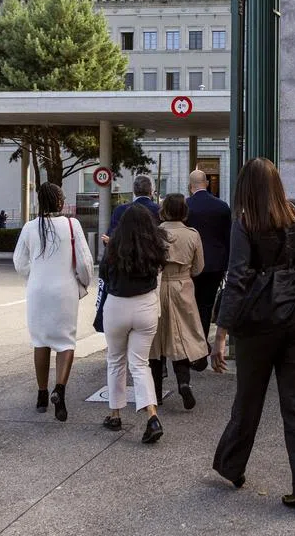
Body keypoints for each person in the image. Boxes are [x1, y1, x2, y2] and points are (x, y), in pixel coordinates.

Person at [212, 158, 295, 515]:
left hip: (258, 324)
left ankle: (232, 467)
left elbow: (237, 278)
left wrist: (221, 333)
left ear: (246, 187)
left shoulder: (245, 222)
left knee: (248, 400)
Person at [13, 182, 93, 422]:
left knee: (40, 341)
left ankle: (41, 394)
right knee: (65, 341)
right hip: (64, 291)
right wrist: (83, 283)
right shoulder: (71, 225)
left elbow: (19, 261)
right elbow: (84, 262)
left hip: (37, 291)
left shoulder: (29, 227)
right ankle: (60, 390)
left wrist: (36, 275)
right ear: (59, 201)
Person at [99, 204, 166, 443]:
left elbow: (104, 275)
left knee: (116, 360)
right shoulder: (155, 248)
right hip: (146, 306)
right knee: (140, 364)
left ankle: (115, 414)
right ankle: (152, 416)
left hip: (117, 306)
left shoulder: (114, 248)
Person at [149, 193, 209, 410]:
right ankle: (184, 382)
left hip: (158, 287)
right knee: (181, 337)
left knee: (155, 340)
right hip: (183, 287)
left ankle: (155, 393)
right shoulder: (192, 234)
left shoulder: (155, 233)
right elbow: (199, 267)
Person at [185, 169, 231, 339]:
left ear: (190, 186)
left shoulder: (185, 206)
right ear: (207, 183)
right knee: (206, 304)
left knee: (191, 304)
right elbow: (227, 237)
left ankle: (192, 341)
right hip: (215, 264)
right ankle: (203, 340)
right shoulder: (222, 207)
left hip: (190, 264)